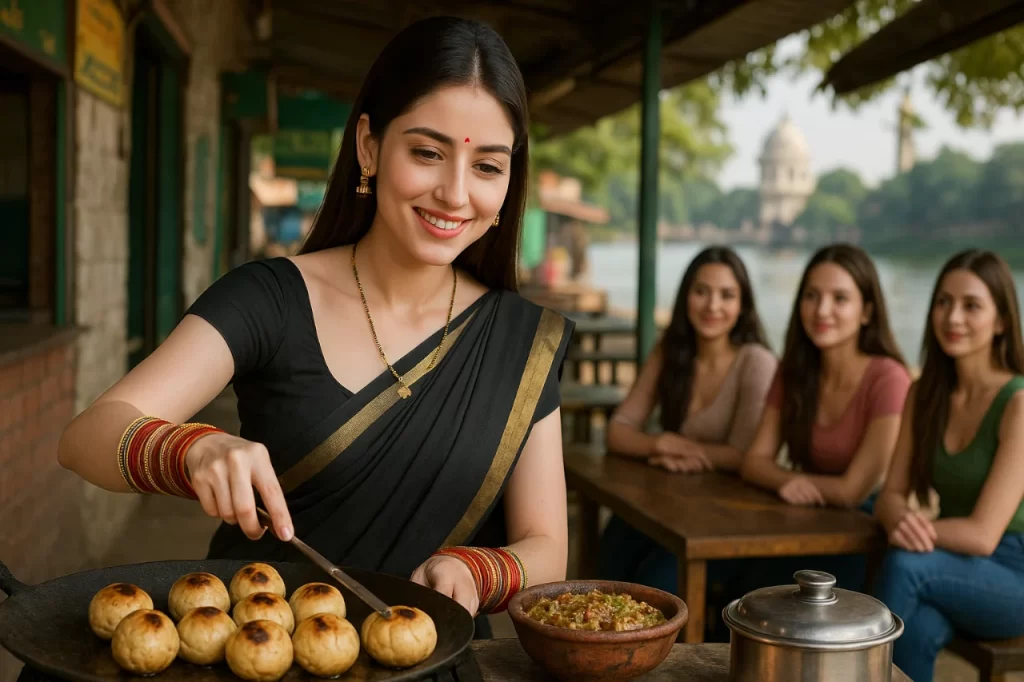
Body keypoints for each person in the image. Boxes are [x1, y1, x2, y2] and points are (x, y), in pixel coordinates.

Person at [57, 16, 573, 633]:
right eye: (428, 153)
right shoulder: (270, 298)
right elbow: (86, 439)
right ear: (368, 146)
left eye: (487, 166)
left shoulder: (522, 341)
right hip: (257, 645)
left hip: (432, 655)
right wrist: (189, 448)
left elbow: (547, 546)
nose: (455, 194)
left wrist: (477, 569)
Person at [715, 243, 912, 627]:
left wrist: (791, 480)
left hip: (863, 534)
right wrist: (788, 481)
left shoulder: (889, 378)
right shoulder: (794, 369)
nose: (822, 310)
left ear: (867, 311)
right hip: (801, 522)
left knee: (768, 598)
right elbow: (754, 462)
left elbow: (853, 490)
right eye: (812, 296)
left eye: (840, 298)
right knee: (736, 589)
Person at [873, 249, 1024, 682]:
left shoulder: (1017, 404)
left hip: (1013, 575)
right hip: (949, 565)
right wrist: (900, 518)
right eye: (944, 302)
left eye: (971, 305)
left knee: (905, 567)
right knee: (917, 628)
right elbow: (890, 496)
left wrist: (910, 530)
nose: (953, 317)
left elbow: (982, 535)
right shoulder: (924, 395)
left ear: (1001, 321)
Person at [597, 246, 777, 593]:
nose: (712, 306)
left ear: (743, 305)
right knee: (614, 547)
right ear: (685, 297)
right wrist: (660, 444)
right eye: (701, 291)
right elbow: (617, 432)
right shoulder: (671, 350)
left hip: (732, 522)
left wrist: (684, 451)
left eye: (727, 295)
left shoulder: (756, 362)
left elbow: (745, 456)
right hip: (674, 508)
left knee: (656, 582)